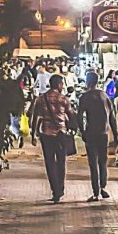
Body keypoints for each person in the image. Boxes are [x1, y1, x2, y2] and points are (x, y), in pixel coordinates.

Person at [31, 74, 74, 203]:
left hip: (46, 134)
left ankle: (55, 190)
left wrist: (33, 134)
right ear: (59, 85)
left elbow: (35, 117)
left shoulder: (41, 99)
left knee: (50, 163)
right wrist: (73, 128)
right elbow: (71, 115)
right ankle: (60, 189)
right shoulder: (64, 99)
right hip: (61, 134)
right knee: (61, 162)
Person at [78, 71, 118, 201]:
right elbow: (112, 118)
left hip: (91, 133)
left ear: (88, 82)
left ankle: (95, 192)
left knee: (93, 163)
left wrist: (82, 132)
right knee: (103, 161)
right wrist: (116, 136)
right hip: (104, 133)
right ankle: (103, 188)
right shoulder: (105, 96)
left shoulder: (85, 97)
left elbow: (79, 116)